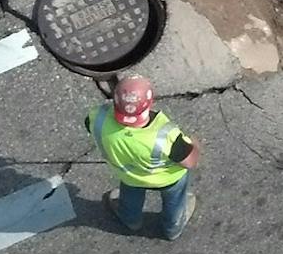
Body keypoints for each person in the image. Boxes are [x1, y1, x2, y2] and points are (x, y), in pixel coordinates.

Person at [86, 74, 201, 239]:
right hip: (168, 180)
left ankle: (130, 219)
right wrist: (195, 145)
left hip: (129, 176)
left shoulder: (98, 118)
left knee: (130, 194)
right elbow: (190, 162)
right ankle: (172, 228)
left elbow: (89, 126)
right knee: (174, 201)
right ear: (150, 102)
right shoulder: (166, 135)